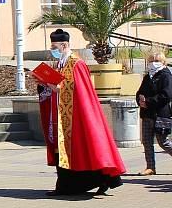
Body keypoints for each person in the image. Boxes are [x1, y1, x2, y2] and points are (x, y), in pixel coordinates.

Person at [35, 29, 126, 196]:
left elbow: (79, 90)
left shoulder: (77, 63)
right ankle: (66, 186)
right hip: (59, 116)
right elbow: (57, 87)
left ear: (64, 45)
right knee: (61, 150)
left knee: (86, 147)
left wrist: (55, 86)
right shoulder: (60, 63)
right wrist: (43, 84)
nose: (52, 50)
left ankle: (103, 179)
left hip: (76, 115)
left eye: (54, 46)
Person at [136, 52, 172, 176]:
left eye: (157, 60)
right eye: (151, 60)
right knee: (147, 142)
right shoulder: (148, 77)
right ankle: (150, 167)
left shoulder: (166, 76)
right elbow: (140, 92)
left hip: (160, 115)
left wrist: (149, 102)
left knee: (163, 142)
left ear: (163, 62)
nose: (153, 63)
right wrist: (140, 101)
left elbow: (166, 95)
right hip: (147, 114)